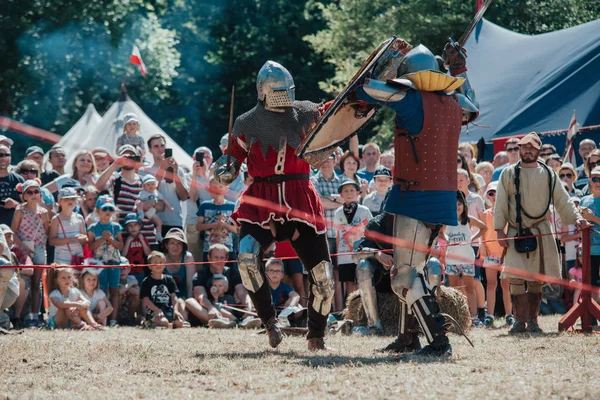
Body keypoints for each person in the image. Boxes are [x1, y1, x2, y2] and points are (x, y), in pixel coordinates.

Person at [352, 39, 479, 355]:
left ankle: (439, 343)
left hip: (415, 197)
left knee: (404, 277)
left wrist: (377, 69)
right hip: (442, 200)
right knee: (415, 272)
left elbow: (366, 90)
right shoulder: (454, 104)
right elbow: (472, 103)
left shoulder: (411, 101)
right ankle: (409, 338)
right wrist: (459, 67)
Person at [213, 60, 334, 351]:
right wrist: (223, 170)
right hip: (261, 199)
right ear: (263, 92)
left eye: (286, 90)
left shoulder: (306, 113)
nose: (283, 96)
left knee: (323, 276)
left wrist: (351, 104)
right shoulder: (246, 123)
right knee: (246, 259)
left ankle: (316, 336)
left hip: (299, 196)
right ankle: (270, 323)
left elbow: (337, 112)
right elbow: (228, 162)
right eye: (277, 91)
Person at [495, 132, 588, 334]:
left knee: (536, 279)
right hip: (516, 230)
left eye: (532, 148)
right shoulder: (508, 173)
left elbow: (563, 200)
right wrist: (498, 230)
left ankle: (533, 322)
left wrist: (577, 218)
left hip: (540, 230)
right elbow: (501, 202)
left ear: (538, 149)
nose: (527, 151)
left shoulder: (548, 173)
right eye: (524, 147)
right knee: (517, 278)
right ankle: (519, 322)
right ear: (519, 149)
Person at [95, 144, 159, 249]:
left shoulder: (145, 181)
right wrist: (115, 165)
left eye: (132, 157)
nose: (128, 160)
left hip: (146, 236)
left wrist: (153, 202)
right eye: (125, 157)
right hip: (122, 238)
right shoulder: (114, 180)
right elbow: (98, 186)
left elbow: (161, 205)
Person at [440, 191, 486, 326]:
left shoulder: (469, 220)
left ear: (464, 205)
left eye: (459, 204)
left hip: (466, 259)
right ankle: (459, 317)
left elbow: (484, 228)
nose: (457, 207)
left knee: (469, 288)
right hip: (451, 260)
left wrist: (472, 238)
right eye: (453, 204)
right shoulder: (447, 221)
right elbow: (440, 233)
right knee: (454, 289)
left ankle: (474, 317)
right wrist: (447, 240)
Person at [11, 179, 50, 327]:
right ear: (24, 195)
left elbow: (47, 231)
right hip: (23, 249)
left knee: (36, 283)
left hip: (39, 248)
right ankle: (17, 315)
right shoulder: (20, 210)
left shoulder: (44, 212)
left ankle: (34, 316)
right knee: (23, 281)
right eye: (30, 192)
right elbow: (13, 232)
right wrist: (22, 247)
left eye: (36, 191)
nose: (34, 194)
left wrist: (46, 217)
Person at [310, 153, 343, 310]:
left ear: (335, 161)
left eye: (329, 160)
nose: (325, 163)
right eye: (322, 160)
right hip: (323, 234)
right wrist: (339, 200)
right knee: (325, 274)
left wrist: (329, 200)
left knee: (339, 274)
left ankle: (340, 309)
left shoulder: (342, 180)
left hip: (340, 235)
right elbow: (319, 203)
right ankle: (326, 310)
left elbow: (350, 199)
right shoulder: (313, 181)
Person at [141, 134, 190, 237]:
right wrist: (161, 170)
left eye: (162, 145)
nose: (160, 149)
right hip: (153, 222)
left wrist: (175, 173)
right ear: (150, 150)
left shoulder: (178, 169)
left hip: (175, 221)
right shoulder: (145, 171)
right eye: (156, 146)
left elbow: (184, 197)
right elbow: (150, 193)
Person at [479, 182, 514, 326]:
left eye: (496, 192)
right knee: (491, 284)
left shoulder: (508, 213)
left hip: (505, 253)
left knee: (506, 284)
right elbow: (482, 232)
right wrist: (482, 246)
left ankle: (509, 314)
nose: (493, 196)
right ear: (487, 196)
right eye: (490, 193)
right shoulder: (485, 214)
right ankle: (490, 315)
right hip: (490, 253)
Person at [87, 195, 124, 326]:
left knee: (114, 291)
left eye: (110, 208)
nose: (108, 211)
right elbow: (90, 246)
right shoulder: (93, 228)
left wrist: (111, 240)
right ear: (97, 211)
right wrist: (102, 239)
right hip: (99, 264)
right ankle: (103, 318)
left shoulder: (116, 227)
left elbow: (121, 246)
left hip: (114, 262)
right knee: (102, 291)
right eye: (104, 209)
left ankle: (113, 320)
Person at [334, 180, 373, 300]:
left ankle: (363, 309)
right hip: (344, 254)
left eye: (352, 190)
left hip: (360, 253)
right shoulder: (338, 212)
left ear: (358, 192)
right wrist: (337, 255)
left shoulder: (364, 210)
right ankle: (351, 311)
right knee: (349, 283)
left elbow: (371, 230)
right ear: (341, 195)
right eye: (345, 191)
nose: (349, 193)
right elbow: (338, 235)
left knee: (361, 281)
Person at [140, 251, 186, 328]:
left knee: (180, 323)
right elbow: (145, 300)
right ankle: (150, 322)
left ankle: (164, 324)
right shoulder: (146, 281)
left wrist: (175, 310)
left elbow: (174, 297)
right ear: (149, 266)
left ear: (165, 264)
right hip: (154, 311)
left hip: (168, 310)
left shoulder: (169, 279)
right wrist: (156, 310)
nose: (158, 264)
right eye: (155, 262)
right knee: (164, 321)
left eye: (161, 262)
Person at [196, 178, 237, 260]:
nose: (217, 190)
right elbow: (198, 227)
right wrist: (213, 225)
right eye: (214, 187)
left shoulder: (232, 206)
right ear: (209, 188)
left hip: (228, 249)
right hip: (209, 249)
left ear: (226, 188)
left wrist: (224, 225)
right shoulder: (205, 205)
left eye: (221, 186)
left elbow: (237, 229)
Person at [578, 166, 600, 309]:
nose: (598, 182)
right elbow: (579, 225)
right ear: (590, 181)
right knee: (589, 284)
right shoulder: (584, 201)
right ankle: (591, 315)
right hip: (588, 249)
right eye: (595, 178)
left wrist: (592, 217)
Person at [187, 147, 213, 262]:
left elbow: (216, 194)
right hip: (193, 221)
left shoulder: (214, 176)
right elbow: (193, 197)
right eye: (201, 156)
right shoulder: (188, 176)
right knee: (195, 255)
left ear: (211, 159)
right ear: (194, 158)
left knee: (211, 254)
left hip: (213, 221)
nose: (204, 159)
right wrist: (194, 174)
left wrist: (204, 175)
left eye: (207, 156)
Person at [48, 187, 87, 266]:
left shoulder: (79, 218)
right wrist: (71, 239)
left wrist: (83, 238)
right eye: (66, 199)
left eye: (73, 199)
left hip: (78, 258)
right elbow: (52, 241)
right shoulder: (56, 219)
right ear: (59, 202)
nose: (70, 201)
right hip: (61, 260)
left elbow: (85, 239)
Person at [137, 174, 174, 239]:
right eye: (148, 185)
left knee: (159, 223)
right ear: (144, 187)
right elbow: (138, 201)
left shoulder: (156, 193)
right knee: (139, 203)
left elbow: (163, 199)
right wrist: (139, 208)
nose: (151, 186)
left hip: (151, 212)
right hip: (145, 211)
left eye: (152, 184)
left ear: (156, 184)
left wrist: (169, 207)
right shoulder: (143, 193)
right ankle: (141, 214)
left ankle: (158, 235)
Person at [162, 227, 195, 299]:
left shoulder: (187, 257)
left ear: (183, 246)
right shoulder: (161, 258)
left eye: (179, 244)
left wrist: (189, 302)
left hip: (184, 297)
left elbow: (190, 284)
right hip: (166, 298)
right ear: (166, 245)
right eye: (172, 243)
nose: (175, 247)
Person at [122, 213, 151, 283]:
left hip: (140, 270)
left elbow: (148, 254)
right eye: (130, 226)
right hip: (128, 271)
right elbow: (123, 255)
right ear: (126, 228)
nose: (133, 228)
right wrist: (128, 242)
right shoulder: (124, 240)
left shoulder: (143, 238)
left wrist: (142, 241)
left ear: (140, 226)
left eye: (135, 225)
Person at [0, 144, 24, 226]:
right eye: (0, 155)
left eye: (7, 155)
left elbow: (29, 206)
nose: (3, 158)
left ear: (10, 158)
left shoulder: (19, 180)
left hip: (15, 231)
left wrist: (15, 204)